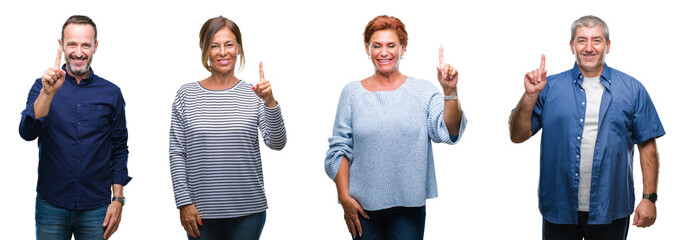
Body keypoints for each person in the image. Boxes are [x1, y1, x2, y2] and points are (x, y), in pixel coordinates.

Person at [508, 15, 664, 240]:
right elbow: (517, 136)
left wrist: (649, 198)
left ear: (607, 46)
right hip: (559, 208)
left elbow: (647, 144)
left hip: (611, 208)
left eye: (596, 41)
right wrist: (530, 96)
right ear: (572, 45)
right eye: (582, 41)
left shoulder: (633, 89)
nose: (589, 48)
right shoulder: (548, 87)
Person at [324, 15, 467, 240]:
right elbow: (339, 148)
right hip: (362, 208)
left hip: (409, 208)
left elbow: (448, 130)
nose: (384, 52)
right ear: (367, 48)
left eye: (391, 45)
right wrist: (344, 197)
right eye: (376, 46)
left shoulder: (422, 91)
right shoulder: (352, 94)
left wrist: (449, 92)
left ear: (403, 48)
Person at [169, 16, 287, 240]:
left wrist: (270, 101)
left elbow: (277, 143)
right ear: (205, 50)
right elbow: (177, 153)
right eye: (214, 45)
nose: (223, 52)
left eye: (229, 44)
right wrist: (183, 202)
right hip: (200, 212)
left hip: (248, 211)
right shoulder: (186, 94)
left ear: (239, 48)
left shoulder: (255, 94)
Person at [19, 15, 131, 240]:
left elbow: (119, 148)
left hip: (96, 207)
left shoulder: (111, 93)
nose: (78, 52)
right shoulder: (42, 86)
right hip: (51, 204)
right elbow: (27, 133)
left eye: (85, 45)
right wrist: (47, 93)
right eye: (72, 44)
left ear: (95, 47)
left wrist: (118, 199)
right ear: (61, 45)